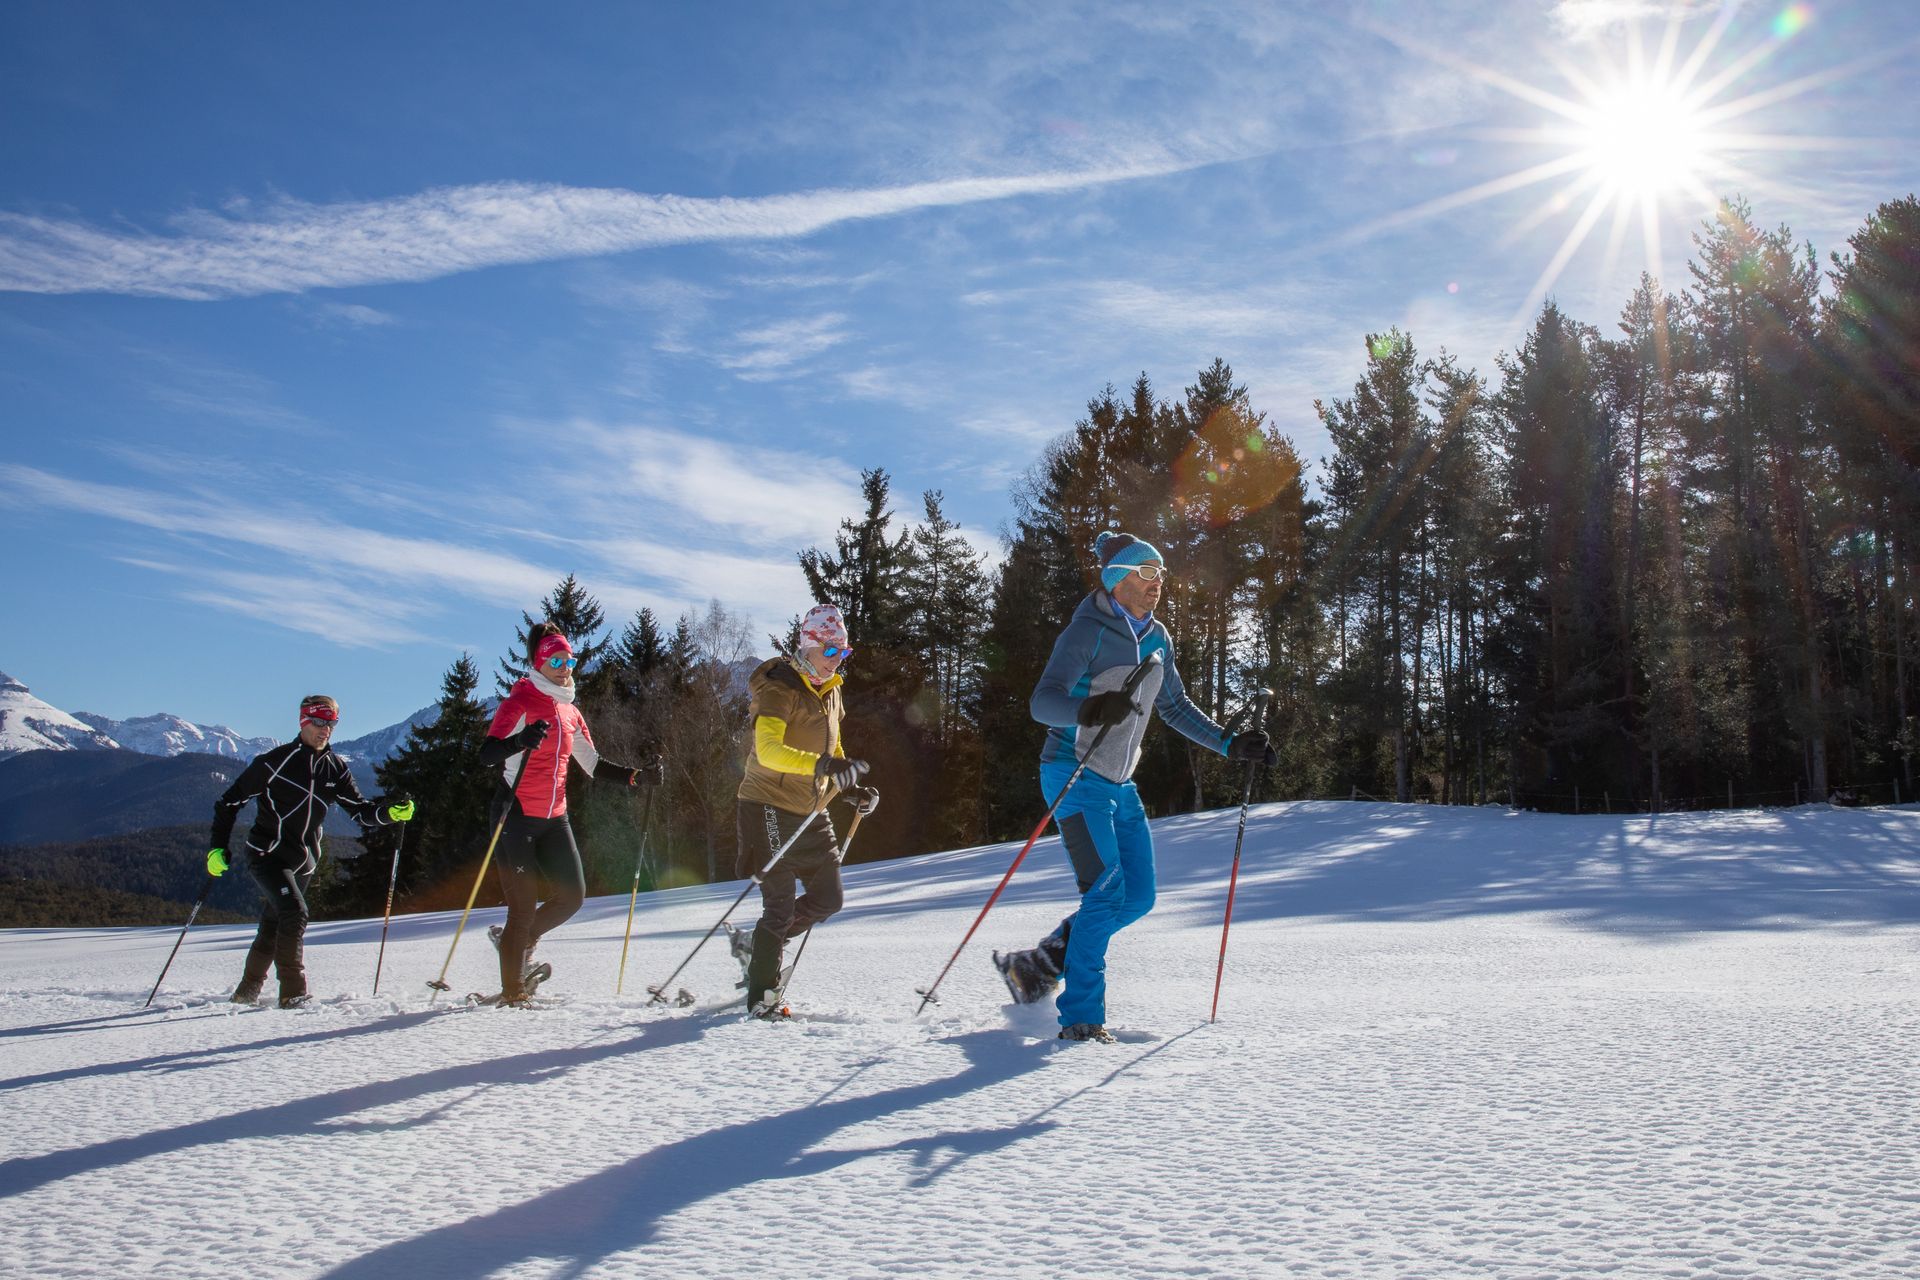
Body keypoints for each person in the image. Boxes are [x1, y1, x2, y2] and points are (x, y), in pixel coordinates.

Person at [995, 531, 1275, 1043]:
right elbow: (1042, 702)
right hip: (1073, 774)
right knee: (1104, 893)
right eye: (1147, 573)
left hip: (1120, 783)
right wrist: (1087, 708)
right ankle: (1081, 1017)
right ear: (1117, 578)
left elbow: (1173, 707)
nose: (1158, 582)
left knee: (1139, 896)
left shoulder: (1158, 637)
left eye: (1162, 574)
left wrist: (1232, 745)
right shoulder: (1088, 632)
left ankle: (1036, 966)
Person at [480, 623, 663, 1006]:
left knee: (573, 895)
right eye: (556, 660)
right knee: (523, 907)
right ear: (539, 664)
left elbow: (593, 764)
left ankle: (521, 942)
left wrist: (636, 777)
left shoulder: (570, 711)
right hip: (515, 813)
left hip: (554, 815)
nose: (565, 667)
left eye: (569, 660)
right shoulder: (519, 703)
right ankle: (513, 994)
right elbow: (487, 754)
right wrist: (520, 740)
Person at [207, 695, 415, 1008]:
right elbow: (229, 803)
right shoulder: (274, 763)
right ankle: (293, 993)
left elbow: (360, 811)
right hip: (267, 854)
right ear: (303, 721)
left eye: (331, 723)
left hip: (304, 861)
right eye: (319, 722)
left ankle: (246, 992)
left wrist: (389, 814)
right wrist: (217, 848)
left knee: (274, 924)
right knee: (295, 912)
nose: (325, 729)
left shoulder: (335, 768)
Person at [732, 603, 877, 1018]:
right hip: (766, 804)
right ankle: (762, 995)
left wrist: (849, 785)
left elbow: (833, 748)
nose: (837, 659)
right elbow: (769, 751)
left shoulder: (831, 690)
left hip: (812, 806)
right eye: (831, 650)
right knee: (778, 905)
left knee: (828, 898)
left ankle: (759, 946)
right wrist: (824, 766)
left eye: (844, 652)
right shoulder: (779, 688)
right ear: (809, 645)